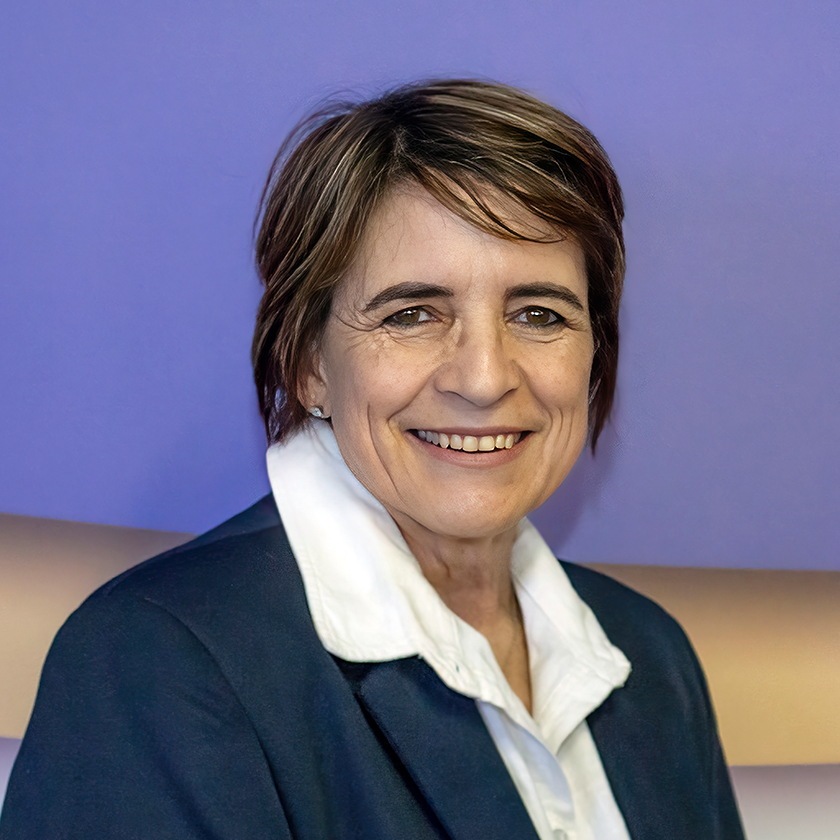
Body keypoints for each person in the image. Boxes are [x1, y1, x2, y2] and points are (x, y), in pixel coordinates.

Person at [0, 80, 745, 839]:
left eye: (538, 314)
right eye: (412, 314)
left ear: (594, 355)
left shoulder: (649, 656)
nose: (484, 377)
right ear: (308, 363)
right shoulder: (154, 663)